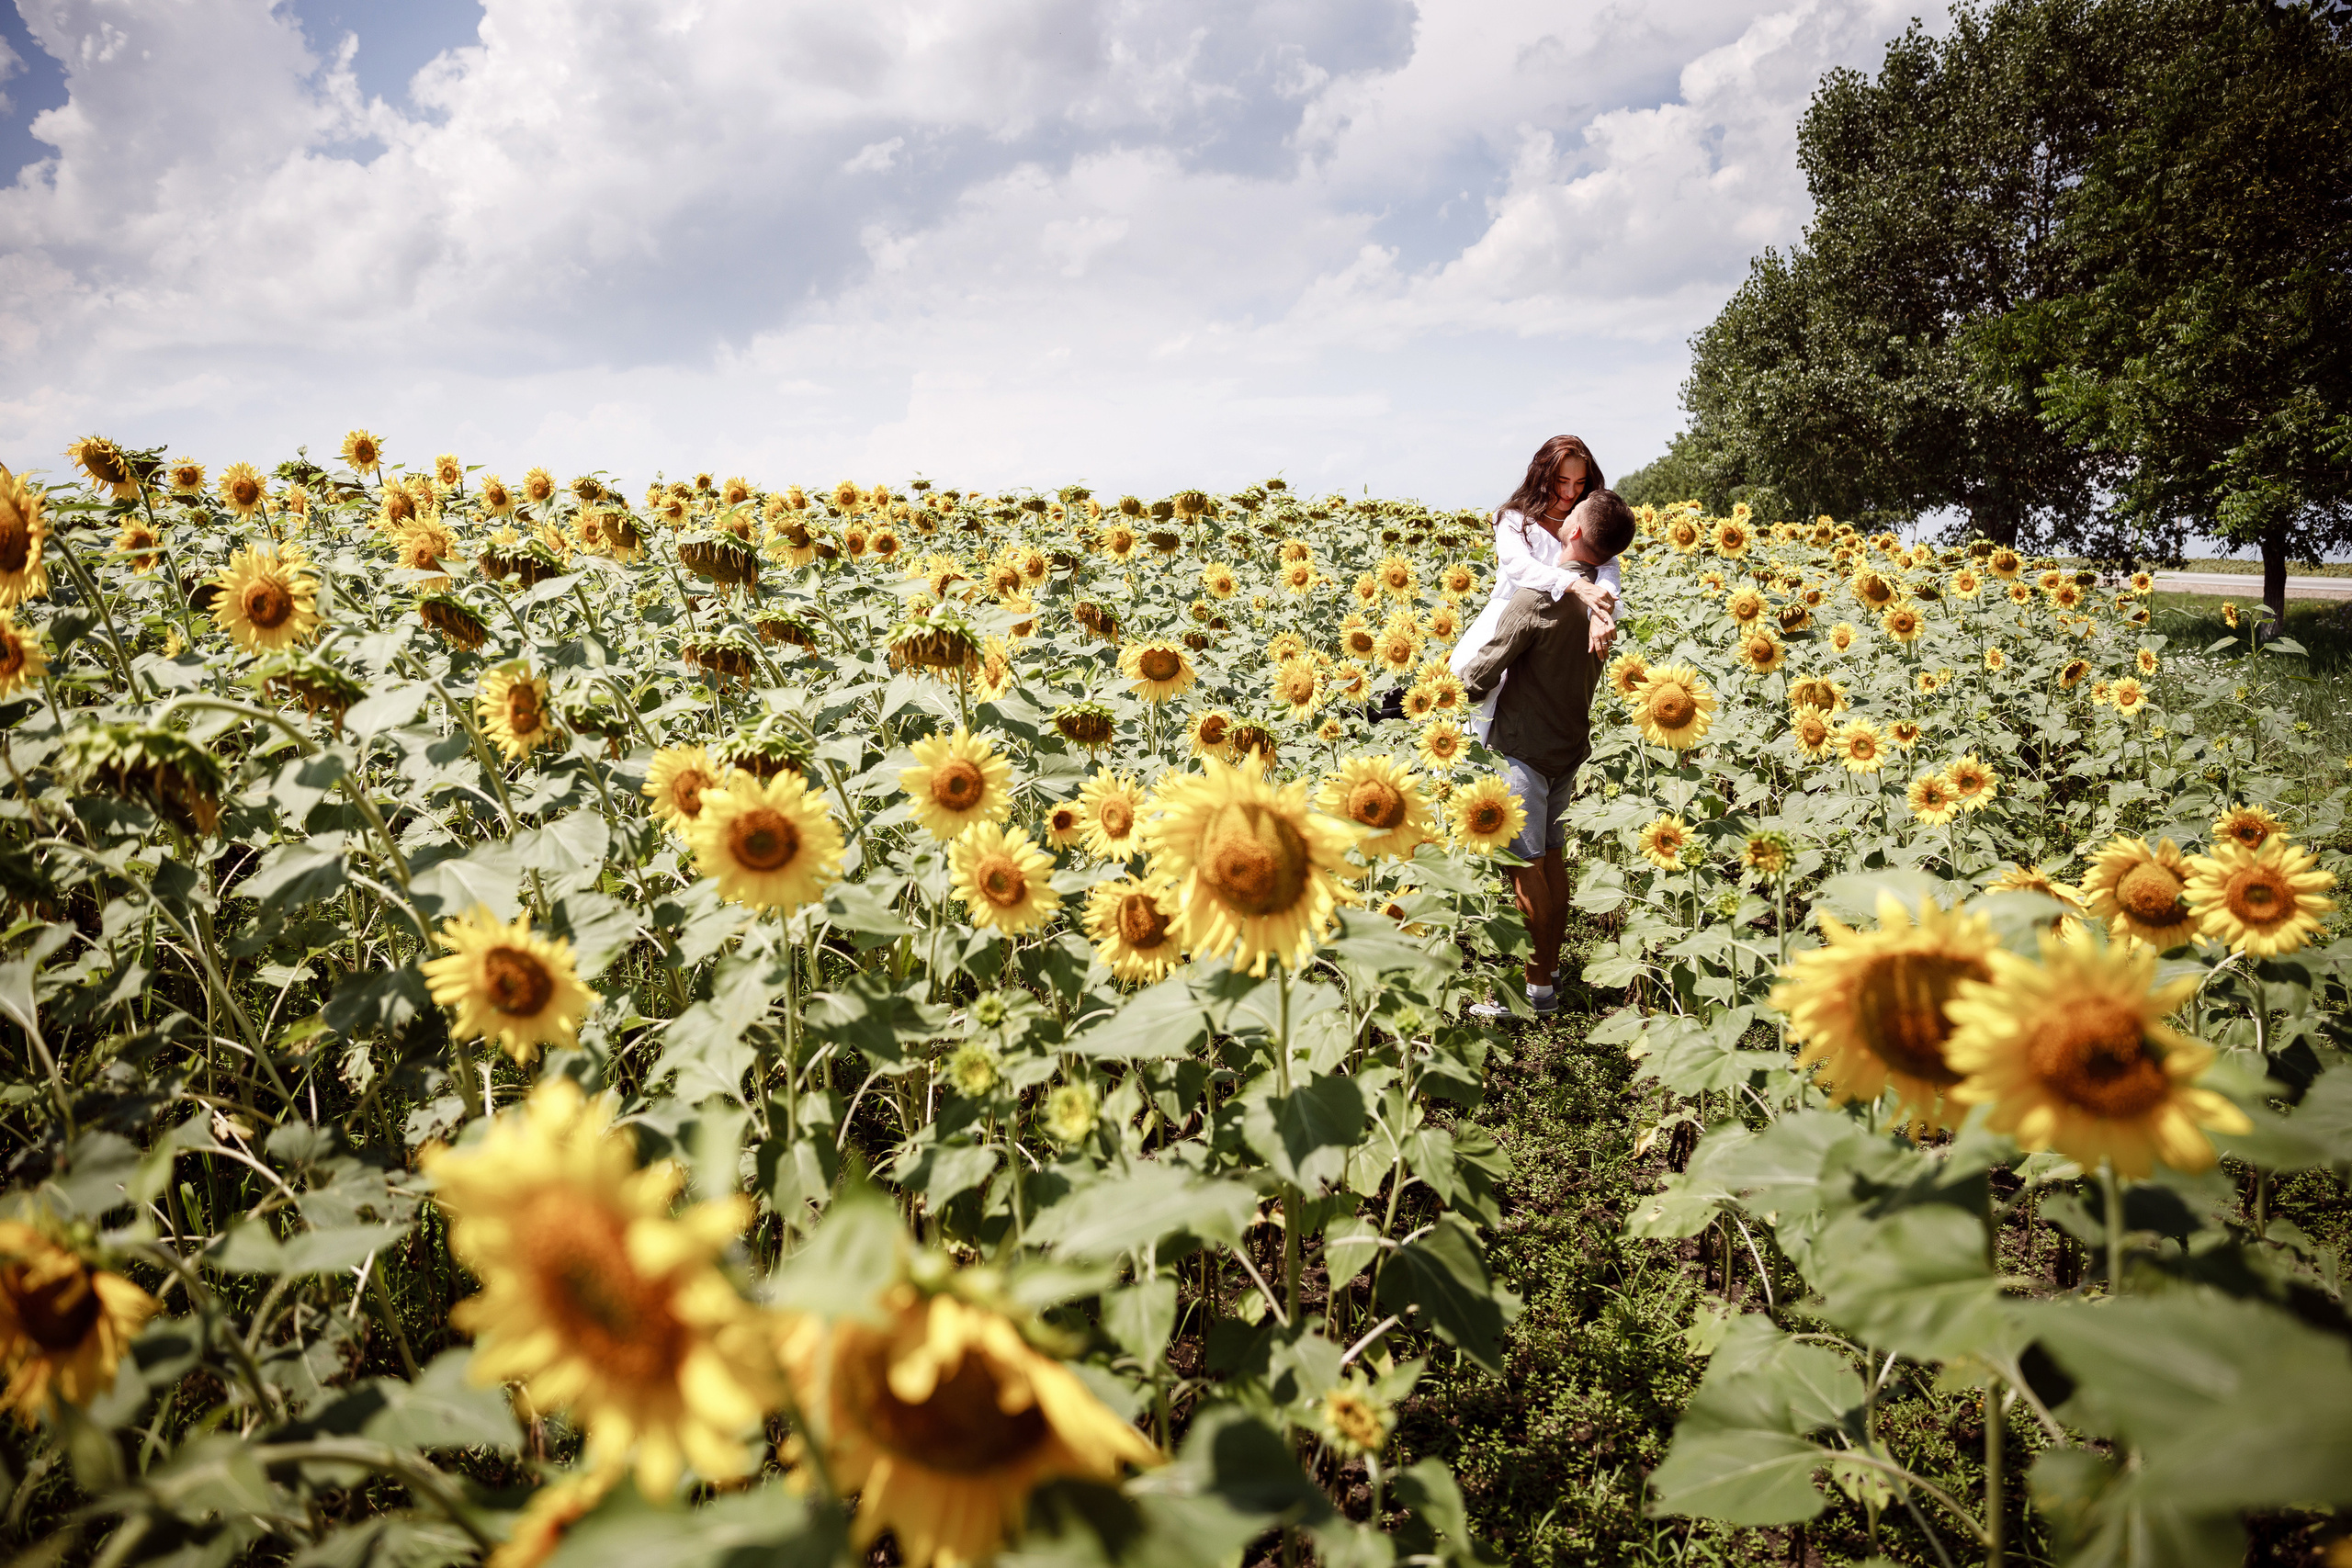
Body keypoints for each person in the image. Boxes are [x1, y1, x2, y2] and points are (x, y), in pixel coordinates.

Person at [1459, 487, 1639, 1018]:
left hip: (1521, 750)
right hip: (1566, 747)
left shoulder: (1537, 599)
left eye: (1573, 510)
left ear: (1577, 531)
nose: (1563, 511)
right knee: (1551, 858)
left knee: (1523, 867)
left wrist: (1423, 696)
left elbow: (1480, 673)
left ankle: (1533, 994)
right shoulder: (1604, 603)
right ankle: (1551, 971)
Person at [1449, 437, 1623, 741]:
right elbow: (1520, 568)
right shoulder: (1514, 519)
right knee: (1476, 723)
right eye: (1562, 481)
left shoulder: (1584, 519)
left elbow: (1609, 566)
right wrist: (1578, 585)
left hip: (1556, 635)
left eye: (1580, 482)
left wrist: (1600, 608)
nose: (1571, 492)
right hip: (1506, 624)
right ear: (1543, 476)